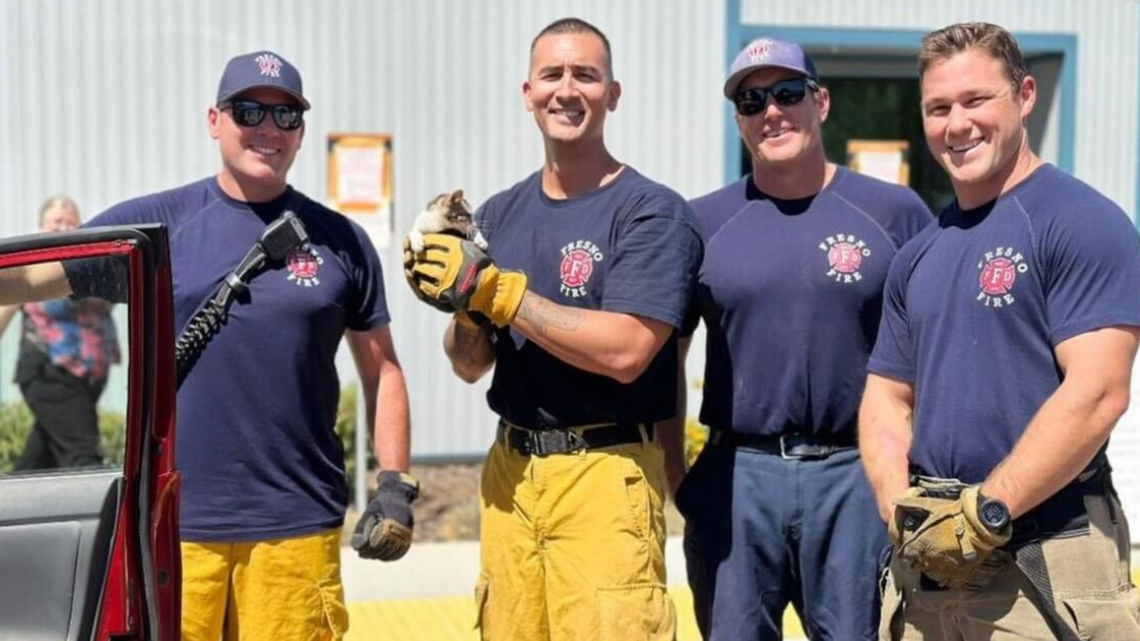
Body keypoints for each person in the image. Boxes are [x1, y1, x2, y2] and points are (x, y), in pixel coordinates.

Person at [0, 51, 416, 640]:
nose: (268, 129)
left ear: (301, 133)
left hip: (295, 530)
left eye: (285, 116)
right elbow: (23, 279)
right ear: (214, 120)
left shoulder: (341, 241)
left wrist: (394, 483)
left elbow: (384, 371)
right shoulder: (154, 227)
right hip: (176, 530)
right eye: (249, 111)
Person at [403, 17, 703, 641]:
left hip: (605, 474)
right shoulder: (497, 213)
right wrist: (460, 305)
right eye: (552, 75)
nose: (567, 90)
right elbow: (466, 364)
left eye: (586, 75)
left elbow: (627, 351)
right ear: (528, 92)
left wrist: (494, 290)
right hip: (509, 476)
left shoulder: (650, 211)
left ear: (612, 94)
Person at [861, 22, 1140, 640]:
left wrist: (989, 510)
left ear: (1026, 96)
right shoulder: (921, 251)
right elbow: (886, 396)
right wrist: (895, 504)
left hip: (1045, 555)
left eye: (975, 100)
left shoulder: (1080, 222)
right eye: (938, 108)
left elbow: (1098, 391)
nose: (956, 124)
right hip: (929, 567)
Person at [673, 37, 932, 641]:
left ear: (822, 102)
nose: (771, 111)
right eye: (751, 100)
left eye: (787, 93)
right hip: (738, 473)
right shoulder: (702, 220)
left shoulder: (895, 213)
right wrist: (677, 478)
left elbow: (931, 350)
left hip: (855, 474)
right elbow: (667, 355)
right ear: (738, 119)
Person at [0, 196, 120, 471]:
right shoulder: (35, 270)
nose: (63, 227)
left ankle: (13, 503)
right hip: (50, 374)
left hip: (86, 380)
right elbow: (4, 307)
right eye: (56, 222)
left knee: (40, 459)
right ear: (42, 228)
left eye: (70, 222)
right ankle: (99, 510)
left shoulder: (90, 265)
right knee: (83, 456)